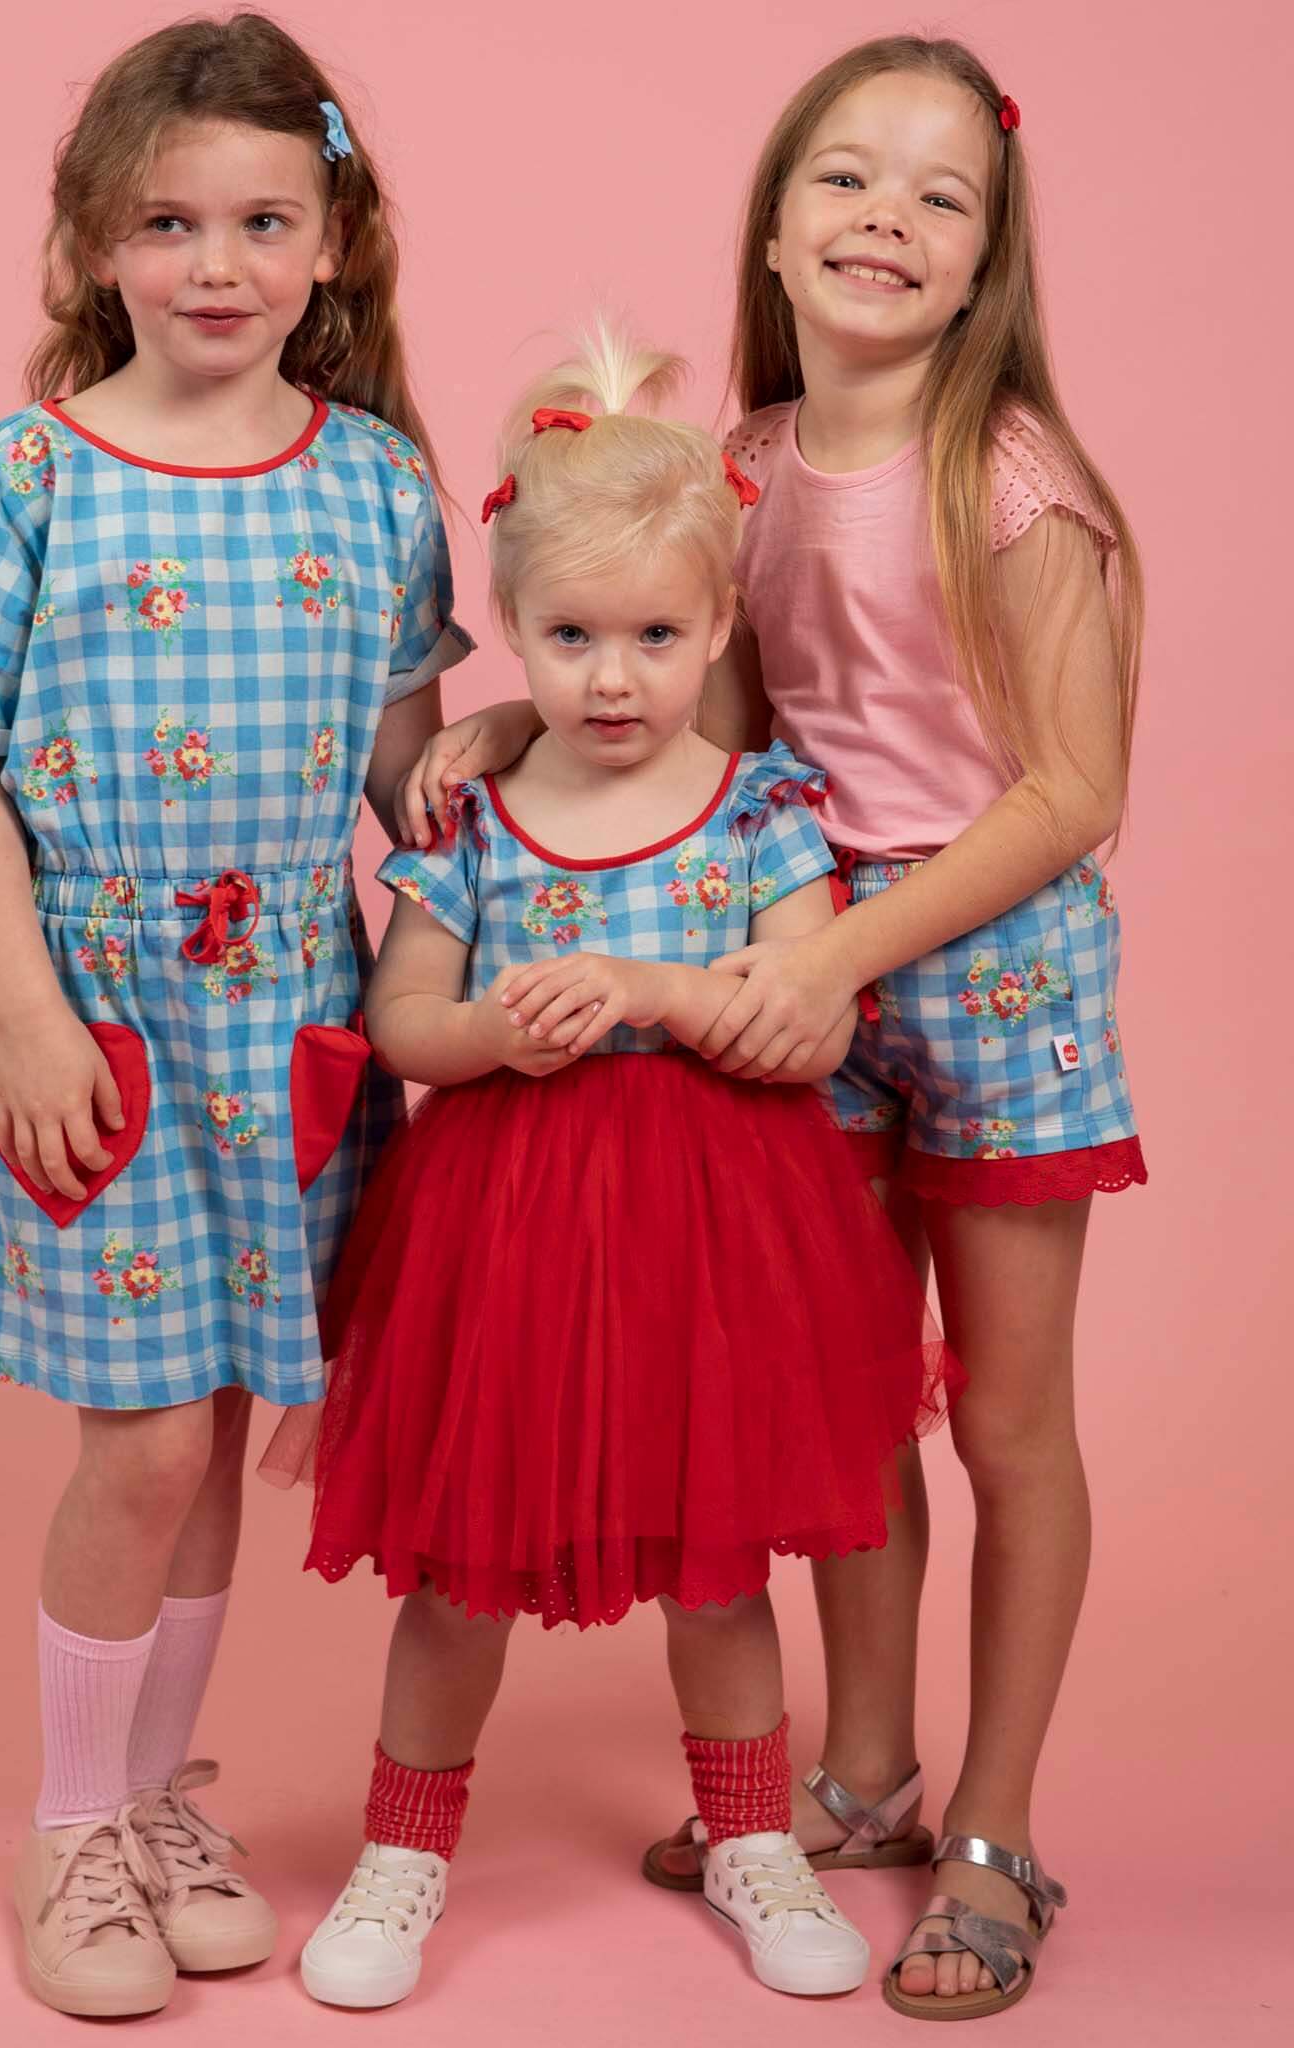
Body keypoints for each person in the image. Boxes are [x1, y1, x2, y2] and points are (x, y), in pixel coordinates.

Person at [417, 38, 1146, 2023]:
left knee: (1005, 1416)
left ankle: (993, 1829)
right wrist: (515, 715)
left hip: (982, 957)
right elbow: (695, 696)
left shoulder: (1013, 478)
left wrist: (845, 959)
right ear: (772, 221)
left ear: (986, 261)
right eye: (847, 177)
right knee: (843, 1401)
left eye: (939, 196)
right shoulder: (733, 470)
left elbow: (1073, 787)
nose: (886, 220)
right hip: (787, 945)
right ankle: (863, 1775)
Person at [0, 11, 471, 2016]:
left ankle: (149, 1798)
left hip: (291, 1019)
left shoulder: (377, 481)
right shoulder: (34, 468)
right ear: (95, 245)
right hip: (104, 1017)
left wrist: (485, 782)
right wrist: (28, 1006)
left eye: (262, 221)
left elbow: (397, 754)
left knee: (218, 1432)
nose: (217, 263)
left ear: (332, 243)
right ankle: (69, 1825)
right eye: (168, 222)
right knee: (138, 1445)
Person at [295, 328, 962, 2011]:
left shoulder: (761, 812)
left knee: (717, 1563)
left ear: (721, 627)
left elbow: (809, 1023)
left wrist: (659, 991)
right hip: (505, 1228)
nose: (611, 680)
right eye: (571, 637)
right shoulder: (475, 818)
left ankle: (751, 1837)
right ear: (512, 630)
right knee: (462, 1568)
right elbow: (399, 1020)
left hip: (714, 1233)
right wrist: (491, 1036)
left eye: (656, 637)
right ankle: (402, 1855)